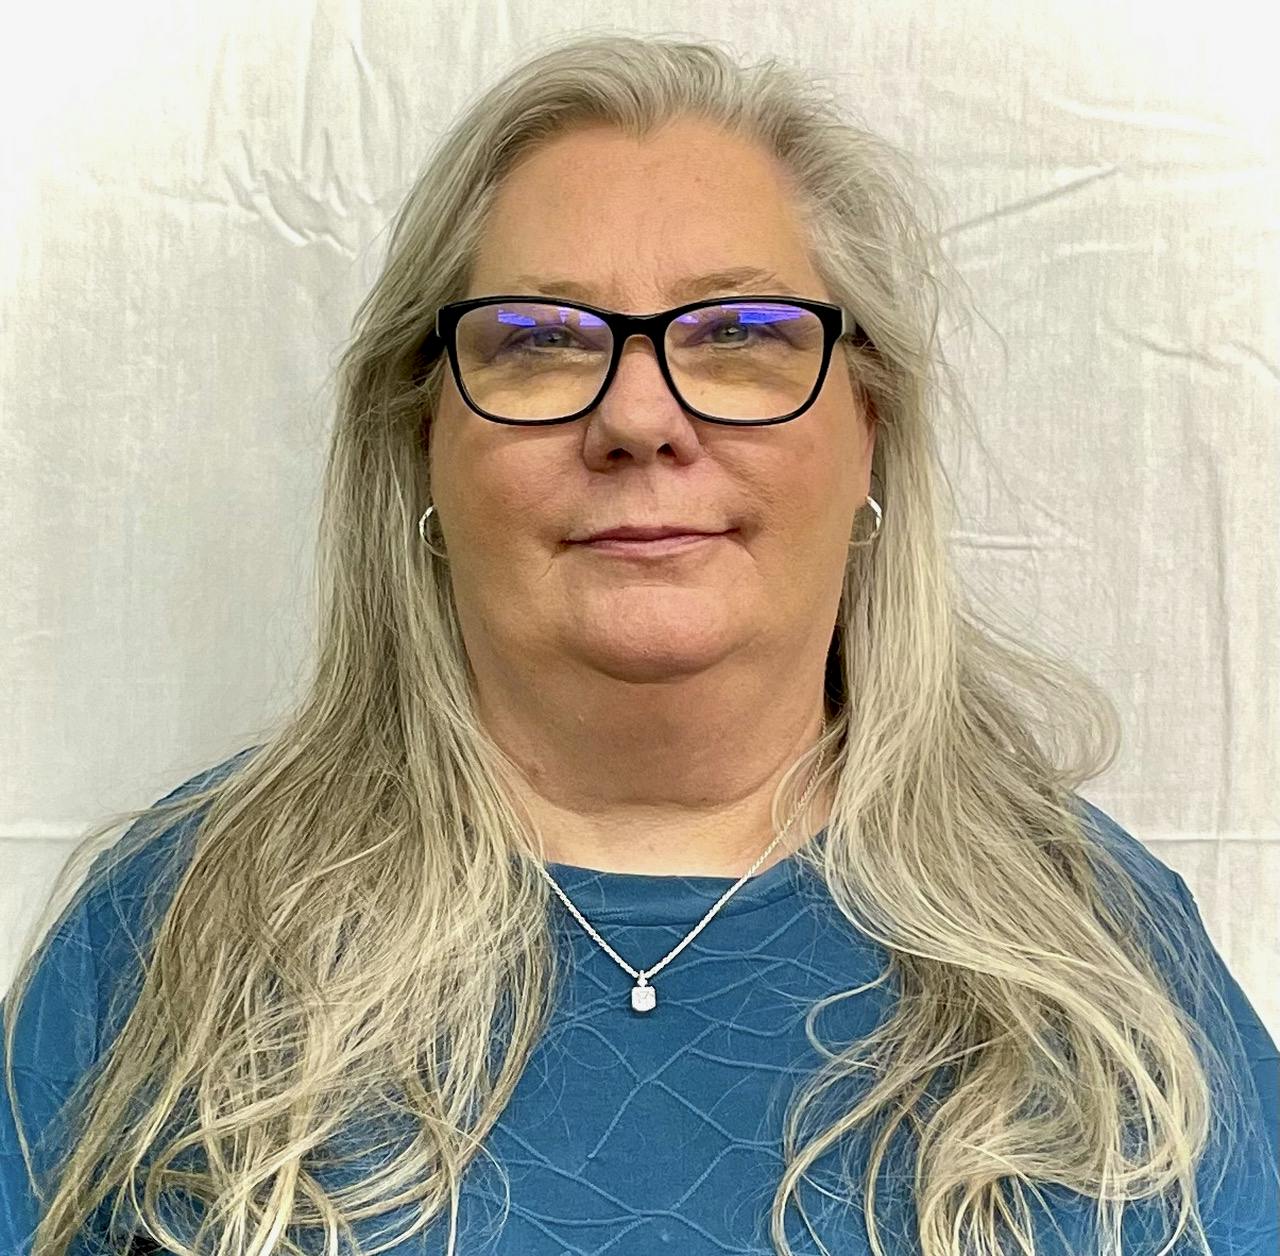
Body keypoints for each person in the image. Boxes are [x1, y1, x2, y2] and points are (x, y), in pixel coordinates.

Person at [2, 31, 1276, 1256]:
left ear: (867, 428)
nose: (637, 416)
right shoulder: (168, 934)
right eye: (537, 342)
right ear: (423, 443)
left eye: (740, 334)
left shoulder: (1099, 954)